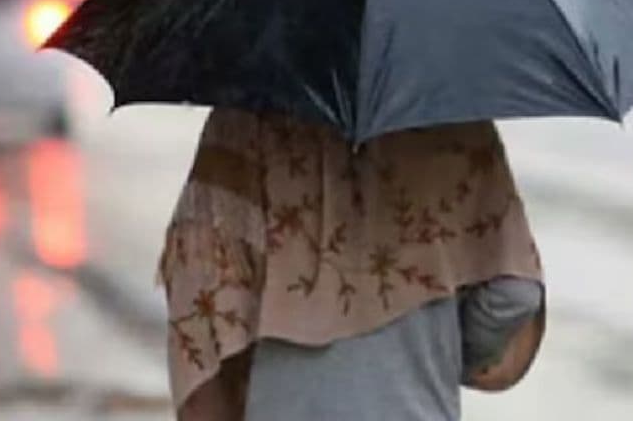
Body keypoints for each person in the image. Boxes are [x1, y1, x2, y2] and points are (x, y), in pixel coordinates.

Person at [158, 108, 545, 420]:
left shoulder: (247, 117)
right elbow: (515, 293)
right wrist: (447, 356)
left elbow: (200, 281)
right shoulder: (456, 123)